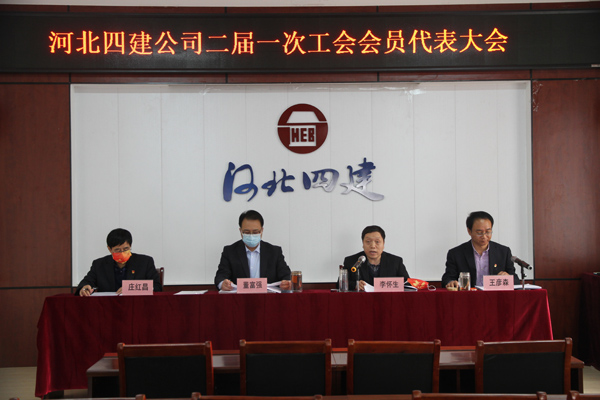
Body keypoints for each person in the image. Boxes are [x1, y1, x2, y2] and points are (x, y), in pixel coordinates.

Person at [215, 210, 292, 291]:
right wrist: (223, 284)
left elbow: (286, 275)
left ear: (261, 231)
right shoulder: (230, 251)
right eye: (247, 232)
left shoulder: (274, 252)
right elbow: (220, 276)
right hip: (240, 297)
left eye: (255, 232)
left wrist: (287, 283)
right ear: (240, 231)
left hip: (268, 297)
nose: (251, 235)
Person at [441, 211, 517, 289]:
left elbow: (516, 280)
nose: (484, 236)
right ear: (469, 231)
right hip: (469, 294)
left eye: (488, 232)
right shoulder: (456, 254)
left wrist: (508, 278)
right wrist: (451, 282)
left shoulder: (504, 252)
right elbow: (448, 278)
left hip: (495, 295)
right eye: (479, 232)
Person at [76, 228, 162, 296]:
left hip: (136, 305)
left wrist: (130, 289)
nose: (122, 253)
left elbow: (157, 287)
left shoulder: (145, 262)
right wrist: (84, 288)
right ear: (109, 249)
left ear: (130, 246)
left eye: (126, 249)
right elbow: (86, 282)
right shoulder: (99, 264)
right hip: (109, 306)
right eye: (117, 250)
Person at [343, 225, 409, 291]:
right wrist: (355, 285)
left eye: (377, 242)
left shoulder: (395, 262)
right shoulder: (351, 261)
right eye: (368, 241)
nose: (373, 246)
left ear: (383, 244)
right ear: (363, 244)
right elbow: (340, 284)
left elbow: (407, 284)